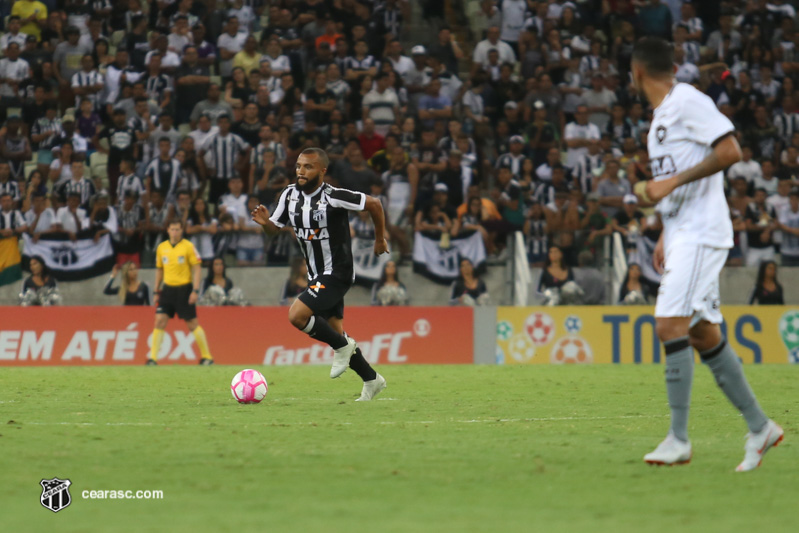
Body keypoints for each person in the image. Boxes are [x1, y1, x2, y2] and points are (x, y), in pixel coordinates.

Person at [636, 37, 782, 471]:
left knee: (668, 323)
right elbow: (674, 183)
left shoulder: (687, 100)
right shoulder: (660, 119)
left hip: (701, 233)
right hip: (683, 232)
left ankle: (678, 439)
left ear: (637, 71)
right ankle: (761, 428)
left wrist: (670, 185)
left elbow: (730, 150)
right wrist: (665, 228)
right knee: (701, 333)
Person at [251, 148, 388, 401]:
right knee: (337, 332)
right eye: (299, 166)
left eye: (308, 167)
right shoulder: (289, 195)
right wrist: (265, 224)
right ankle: (371, 379)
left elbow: (374, 204)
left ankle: (343, 348)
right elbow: (275, 229)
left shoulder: (333, 196)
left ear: (322, 171)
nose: (301, 171)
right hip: (316, 274)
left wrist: (380, 238)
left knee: (297, 315)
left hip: (338, 272)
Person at [147, 220, 214, 366]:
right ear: (168, 230)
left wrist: (195, 290)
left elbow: (197, 268)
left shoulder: (188, 247)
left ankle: (207, 357)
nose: (175, 232)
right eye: (173, 229)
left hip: (184, 289)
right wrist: (156, 289)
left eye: (178, 229)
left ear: (181, 231)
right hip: (167, 289)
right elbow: (159, 269)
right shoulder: (161, 248)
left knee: (192, 323)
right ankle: (153, 359)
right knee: (159, 320)